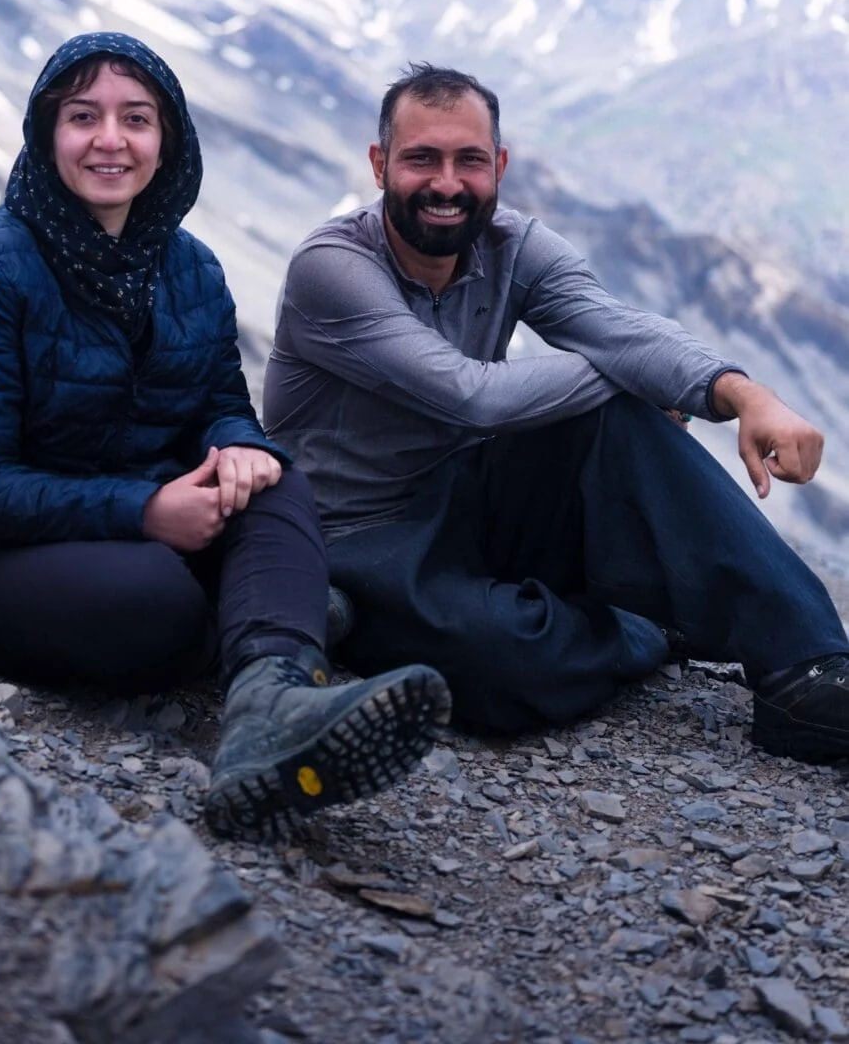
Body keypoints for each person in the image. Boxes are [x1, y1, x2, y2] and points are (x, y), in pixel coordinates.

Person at [0, 32, 449, 840]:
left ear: (168, 140)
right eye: (84, 117)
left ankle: (270, 705)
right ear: (47, 133)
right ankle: (263, 621)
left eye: (137, 119)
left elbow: (220, 405)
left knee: (276, 478)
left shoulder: (189, 267)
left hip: (149, 516)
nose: (111, 140)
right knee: (153, 602)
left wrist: (238, 447)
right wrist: (145, 511)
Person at [264, 62, 849, 763]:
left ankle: (810, 669)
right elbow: (467, 394)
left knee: (614, 421)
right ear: (380, 163)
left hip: (472, 498)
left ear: (500, 166)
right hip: (356, 533)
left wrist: (745, 394)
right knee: (503, 667)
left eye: (469, 161)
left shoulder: (516, 245)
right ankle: (642, 626)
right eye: (422, 158)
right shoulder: (331, 266)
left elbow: (615, 326)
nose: (447, 184)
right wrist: (627, 374)